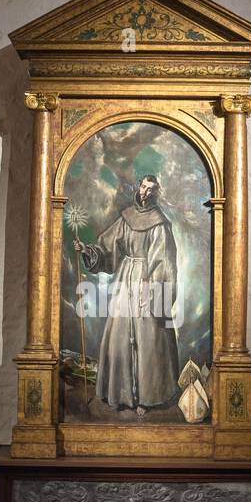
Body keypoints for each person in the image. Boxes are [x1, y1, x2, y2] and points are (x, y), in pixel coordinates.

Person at [74, 175, 181, 415]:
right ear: (139, 187)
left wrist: (151, 288)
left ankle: (147, 397)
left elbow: (164, 262)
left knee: (149, 336)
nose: (146, 192)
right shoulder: (127, 216)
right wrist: (89, 250)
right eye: (144, 187)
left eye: (151, 189)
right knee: (120, 333)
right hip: (125, 279)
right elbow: (109, 245)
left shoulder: (160, 223)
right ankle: (121, 394)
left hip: (146, 282)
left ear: (156, 193)